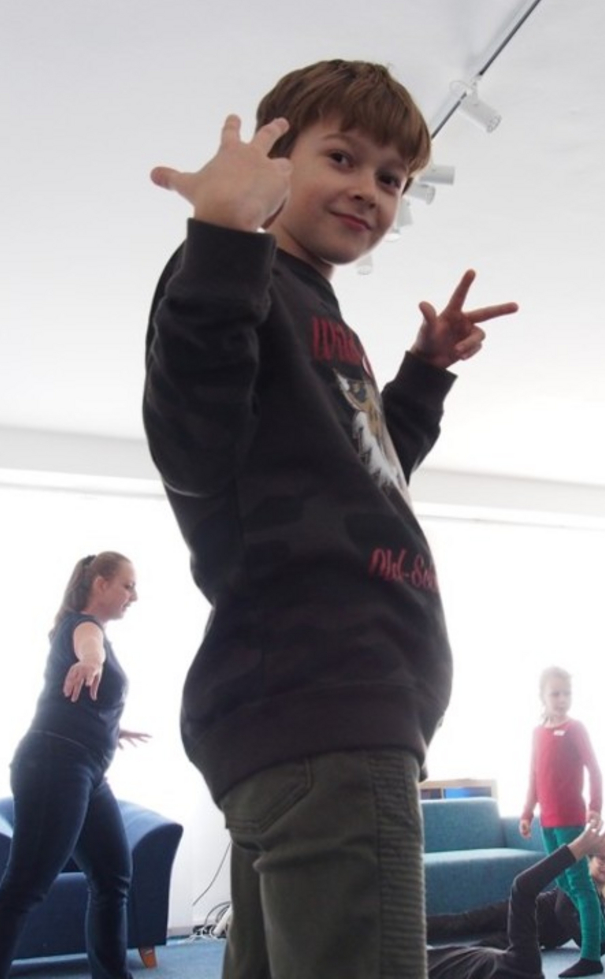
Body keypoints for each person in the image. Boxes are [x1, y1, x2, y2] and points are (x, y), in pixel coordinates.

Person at [143, 58, 519, 978]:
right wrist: (221, 234)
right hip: (330, 707)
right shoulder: (236, 277)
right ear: (275, 156)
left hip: (309, 713)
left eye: (393, 178)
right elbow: (192, 445)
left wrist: (423, 373)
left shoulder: (310, 305)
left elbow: (364, 472)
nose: (370, 191)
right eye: (343, 158)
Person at [0, 552, 150, 979]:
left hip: (85, 767)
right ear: (100, 584)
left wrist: (110, 730)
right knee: (24, 886)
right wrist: (90, 662)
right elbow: (90, 649)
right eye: (127, 586)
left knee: (113, 877)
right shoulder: (84, 627)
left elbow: (80, 700)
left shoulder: (90, 631)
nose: (134, 596)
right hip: (56, 765)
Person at [427, 823, 605, 979]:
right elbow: (525, 890)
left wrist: (578, 849)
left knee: (475, 934)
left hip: (429, 961)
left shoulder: (524, 967)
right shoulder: (524, 967)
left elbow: (523, 888)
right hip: (524, 923)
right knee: (467, 923)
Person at [426, 838, 605, 953]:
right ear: (590, 861)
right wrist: (587, 946)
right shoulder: (577, 883)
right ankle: (411, 927)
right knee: (464, 922)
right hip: (521, 909)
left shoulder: (598, 901)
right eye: (602, 860)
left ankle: (430, 962)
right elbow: (562, 912)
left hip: (531, 934)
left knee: (483, 949)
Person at [517, 667, 605, 977]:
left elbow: (594, 769)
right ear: (542, 696)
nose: (561, 699)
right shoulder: (537, 733)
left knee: (580, 885)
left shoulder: (575, 728)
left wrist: (595, 807)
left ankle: (591, 956)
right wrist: (527, 813)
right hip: (548, 821)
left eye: (566, 693)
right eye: (555, 693)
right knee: (563, 883)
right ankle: (604, 936)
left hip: (571, 819)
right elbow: (534, 777)